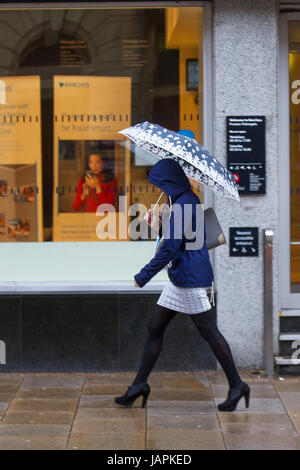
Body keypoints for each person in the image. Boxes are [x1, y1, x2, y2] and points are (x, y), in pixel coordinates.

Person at [115, 158, 250, 412]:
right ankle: (139, 385)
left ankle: (237, 385)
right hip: (182, 277)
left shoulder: (186, 202)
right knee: (155, 326)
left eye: (160, 183)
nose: (159, 189)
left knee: (209, 332)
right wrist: (157, 225)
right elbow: (174, 238)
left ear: (169, 181)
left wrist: (143, 275)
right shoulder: (180, 200)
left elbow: (171, 246)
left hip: (189, 278)